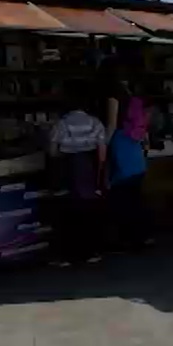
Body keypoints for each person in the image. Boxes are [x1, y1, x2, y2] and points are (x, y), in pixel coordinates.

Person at [47, 81, 108, 266]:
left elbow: (52, 152)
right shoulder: (95, 122)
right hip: (88, 170)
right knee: (88, 213)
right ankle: (91, 253)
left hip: (68, 170)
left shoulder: (61, 124)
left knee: (67, 215)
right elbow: (102, 152)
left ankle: (66, 256)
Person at [103, 63, 153, 249]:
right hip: (135, 152)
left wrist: (102, 146)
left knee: (121, 199)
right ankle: (141, 237)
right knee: (135, 197)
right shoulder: (132, 95)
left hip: (121, 150)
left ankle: (125, 240)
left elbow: (111, 125)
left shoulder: (113, 96)